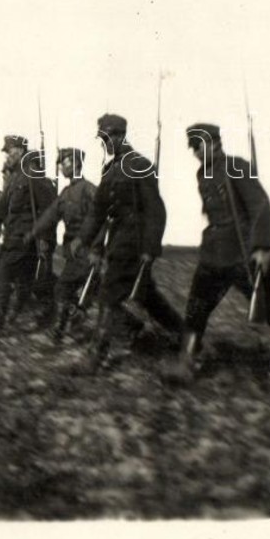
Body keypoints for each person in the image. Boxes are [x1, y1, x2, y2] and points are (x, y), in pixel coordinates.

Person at [173, 123, 270, 380]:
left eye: (199, 146)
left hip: (243, 252)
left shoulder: (236, 165)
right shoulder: (202, 174)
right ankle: (187, 360)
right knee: (196, 308)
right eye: (193, 148)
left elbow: (260, 206)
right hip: (213, 254)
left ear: (213, 142)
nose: (196, 152)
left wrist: (262, 247)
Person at [74, 113, 183, 371]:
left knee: (108, 294)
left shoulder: (140, 165)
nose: (105, 143)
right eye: (102, 138)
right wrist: (83, 238)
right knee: (147, 296)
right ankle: (188, 337)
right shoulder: (111, 170)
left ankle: (95, 357)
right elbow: (99, 210)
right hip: (117, 241)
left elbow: (156, 211)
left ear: (120, 135)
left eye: (108, 137)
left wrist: (150, 249)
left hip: (133, 243)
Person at [0, 136, 56, 334]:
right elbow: (2, 209)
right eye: (6, 152)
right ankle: (16, 313)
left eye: (10, 151)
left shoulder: (33, 175)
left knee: (3, 274)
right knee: (24, 281)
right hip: (13, 237)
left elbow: (50, 211)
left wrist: (45, 239)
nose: (7, 155)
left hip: (26, 239)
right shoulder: (16, 179)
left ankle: (0, 322)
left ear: (20, 151)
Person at [30, 147, 97, 341]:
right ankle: (133, 328)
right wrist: (33, 232)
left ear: (75, 164)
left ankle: (60, 330)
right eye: (59, 162)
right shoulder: (66, 192)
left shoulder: (88, 189)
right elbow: (51, 215)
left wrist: (97, 250)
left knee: (62, 289)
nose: (59, 166)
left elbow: (100, 219)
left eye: (63, 162)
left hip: (87, 250)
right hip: (72, 252)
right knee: (96, 295)